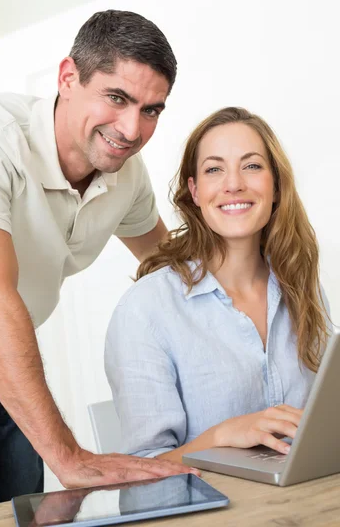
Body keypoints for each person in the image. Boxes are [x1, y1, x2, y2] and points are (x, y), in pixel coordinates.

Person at [0, 10, 197, 515]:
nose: (131, 128)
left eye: (151, 110)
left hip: (7, 392)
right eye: (117, 98)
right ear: (68, 78)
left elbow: (170, 267)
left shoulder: (126, 172)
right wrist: (69, 455)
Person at [105, 106, 330, 462]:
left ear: (276, 186)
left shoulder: (303, 289)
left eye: (252, 166)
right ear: (194, 191)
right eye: (214, 169)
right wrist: (222, 436)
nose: (233, 183)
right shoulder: (145, 310)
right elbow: (141, 472)